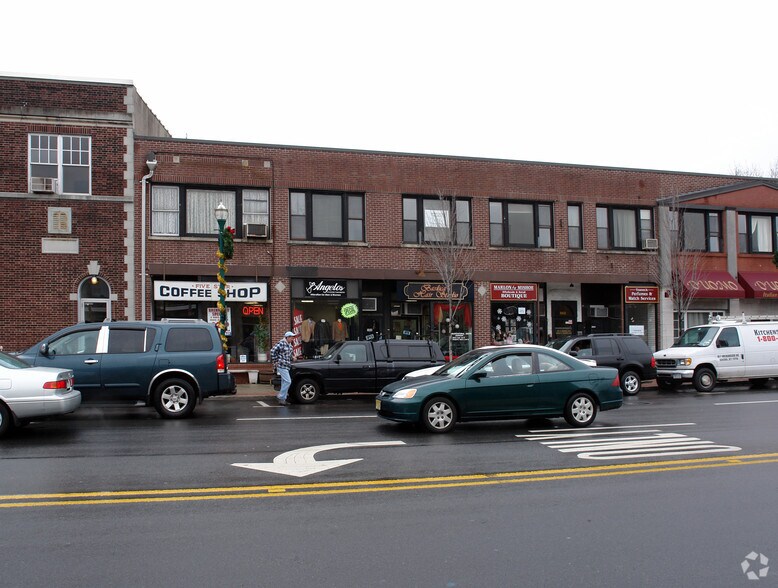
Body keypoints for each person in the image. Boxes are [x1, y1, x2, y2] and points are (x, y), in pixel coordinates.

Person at [270, 330, 295, 406]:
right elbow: (272, 351)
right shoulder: (281, 343)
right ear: (287, 337)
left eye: (293, 337)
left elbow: (289, 356)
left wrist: (293, 358)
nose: (292, 339)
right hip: (281, 365)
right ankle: (280, 396)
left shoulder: (290, 346)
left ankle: (283, 399)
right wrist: (276, 360)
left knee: (284, 382)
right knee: (288, 381)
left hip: (287, 365)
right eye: (291, 337)